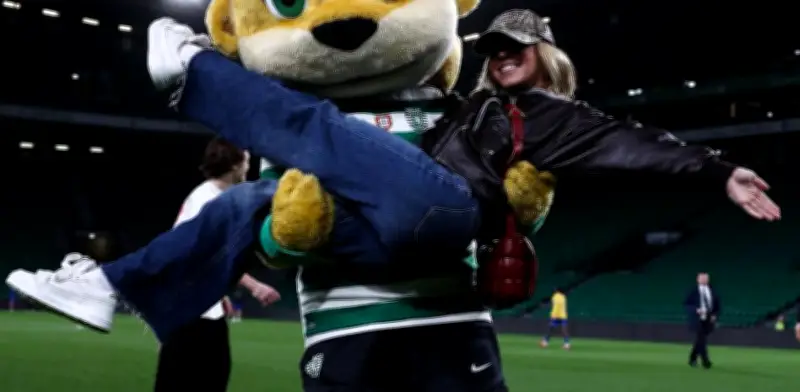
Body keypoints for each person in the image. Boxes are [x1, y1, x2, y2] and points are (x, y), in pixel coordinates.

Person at [5, 12, 780, 344]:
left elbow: (624, 141)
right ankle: (108, 287)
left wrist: (717, 172)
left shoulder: (542, 111)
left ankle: (193, 72)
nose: (505, 54)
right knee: (251, 200)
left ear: (547, 58)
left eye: (521, 47)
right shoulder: (470, 104)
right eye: (497, 46)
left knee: (319, 133)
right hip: (386, 233)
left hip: (440, 219)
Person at [153, 137, 280, 392]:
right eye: (245, 161)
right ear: (234, 165)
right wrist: (255, 287)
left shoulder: (211, 197)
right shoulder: (208, 201)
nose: (248, 167)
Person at [683, 272, 721, 369]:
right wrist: (696, 310)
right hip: (697, 318)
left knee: (700, 340)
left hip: (708, 318)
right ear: (698, 280)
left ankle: (692, 358)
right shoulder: (693, 291)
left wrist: (714, 315)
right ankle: (706, 361)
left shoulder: (712, 290)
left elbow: (717, 305)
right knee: (702, 339)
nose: (704, 280)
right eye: (702, 278)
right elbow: (687, 304)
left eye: (706, 278)